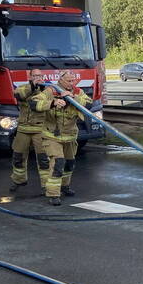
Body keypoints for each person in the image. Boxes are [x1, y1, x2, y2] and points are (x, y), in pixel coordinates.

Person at [32, 70, 91, 205]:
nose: (72, 83)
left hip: (70, 137)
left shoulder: (77, 92)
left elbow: (89, 104)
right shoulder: (51, 91)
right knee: (58, 162)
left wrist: (74, 98)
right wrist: (52, 103)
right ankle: (53, 194)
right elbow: (34, 103)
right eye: (68, 81)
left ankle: (65, 186)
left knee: (69, 163)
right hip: (52, 136)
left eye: (73, 80)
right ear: (61, 81)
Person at [10, 68, 50, 192]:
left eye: (40, 75)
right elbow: (18, 95)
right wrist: (32, 86)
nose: (37, 78)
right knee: (18, 157)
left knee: (44, 159)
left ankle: (46, 185)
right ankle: (19, 180)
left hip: (40, 129)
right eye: (35, 75)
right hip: (23, 129)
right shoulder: (23, 87)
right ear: (30, 76)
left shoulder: (47, 90)